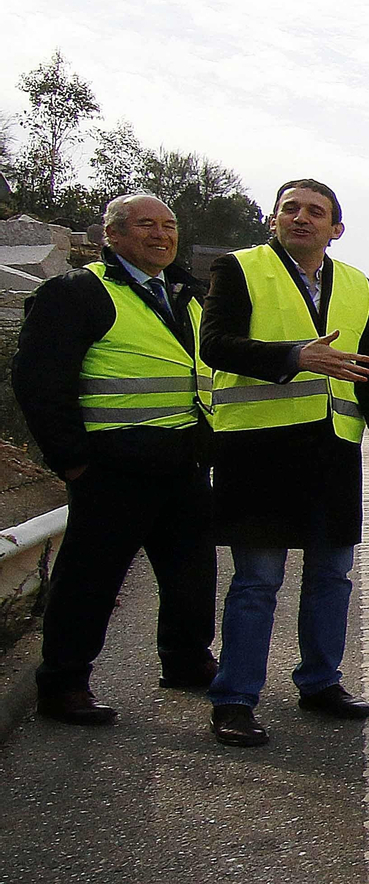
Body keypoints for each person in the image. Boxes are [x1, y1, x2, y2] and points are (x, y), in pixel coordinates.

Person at [201, 179, 369, 747]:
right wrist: (294, 356)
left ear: (335, 229)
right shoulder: (239, 269)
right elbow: (213, 345)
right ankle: (236, 698)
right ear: (273, 220)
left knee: (331, 577)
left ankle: (320, 684)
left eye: (315, 212)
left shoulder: (357, 284)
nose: (301, 218)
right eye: (290, 209)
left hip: (332, 452)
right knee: (257, 582)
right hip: (259, 451)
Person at [12, 194, 217, 725]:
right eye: (145, 225)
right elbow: (39, 382)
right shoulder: (78, 292)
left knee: (192, 577)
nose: (161, 235)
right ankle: (63, 685)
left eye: (169, 225)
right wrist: (74, 463)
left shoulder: (186, 299)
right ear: (113, 236)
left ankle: (186, 661)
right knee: (90, 581)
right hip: (113, 468)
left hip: (182, 462)